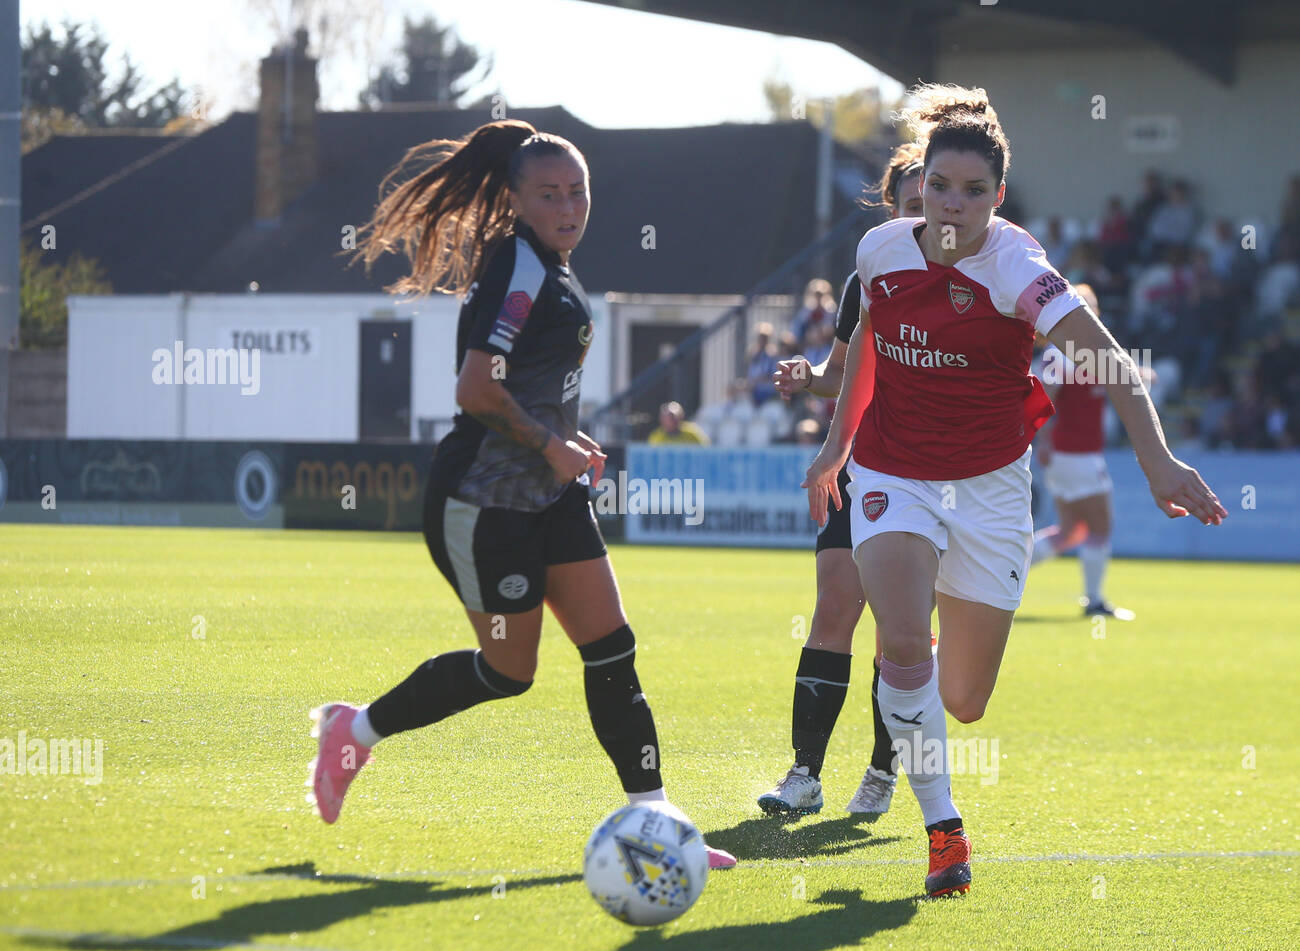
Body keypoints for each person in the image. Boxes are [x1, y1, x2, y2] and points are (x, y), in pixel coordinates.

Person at [801, 84, 1226, 898]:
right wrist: (836, 447)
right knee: (900, 641)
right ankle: (941, 828)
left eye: (974, 192)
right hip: (892, 471)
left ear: (999, 196)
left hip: (992, 488)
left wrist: (1158, 462)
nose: (953, 205)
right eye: (939, 186)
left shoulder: (1020, 269)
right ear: (916, 182)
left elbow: (1111, 364)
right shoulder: (880, 252)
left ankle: (927, 770)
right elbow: (865, 354)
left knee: (963, 701)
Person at [316, 118, 736, 868]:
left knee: (612, 649)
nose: (569, 205)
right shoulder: (519, 265)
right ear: (515, 199)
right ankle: (353, 733)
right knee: (509, 673)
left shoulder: (553, 263)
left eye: (578, 191)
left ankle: (655, 822)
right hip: (484, 502)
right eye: (549, 194)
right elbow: (477, 387)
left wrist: (563, 444)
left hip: (550, 494)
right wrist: (549, 442)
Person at [756, 142, 927, 821]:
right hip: (862, 465)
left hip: (927, 478)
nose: (927, 218)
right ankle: (804, 774)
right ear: (894, 209)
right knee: (833, 610)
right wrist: (809, 378)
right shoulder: (869, 276)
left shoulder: (975, 273)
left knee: (899, 632)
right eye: (913, 205)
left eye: (936, 204)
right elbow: (846, 375)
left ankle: (883, 774)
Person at [1029, 284, 1139, 619]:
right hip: (1075, 454)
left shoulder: (1081, 354)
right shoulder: (1066, 356)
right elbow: (1044, 399)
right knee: (1099, 527)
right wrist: (1044, 440)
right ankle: (1093, 601)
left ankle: (1001, 571)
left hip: (1071, 454)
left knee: (1070, 530)